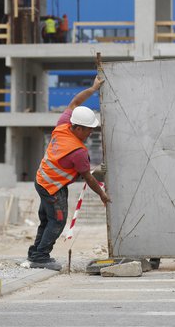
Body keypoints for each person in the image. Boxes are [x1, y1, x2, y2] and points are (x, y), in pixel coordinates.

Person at [27, 76, 111, 271]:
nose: (91, 133)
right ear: (79, 128)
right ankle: (40, 257)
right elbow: (88, 178)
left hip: (42, 180)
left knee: (46, 220)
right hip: (52, 188)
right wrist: (102, 194)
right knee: (56, 221)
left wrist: (93, 88)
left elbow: (75, 102)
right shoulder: (78, 151)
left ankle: (35, 254)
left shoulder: (64, 124)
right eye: (89, 130)